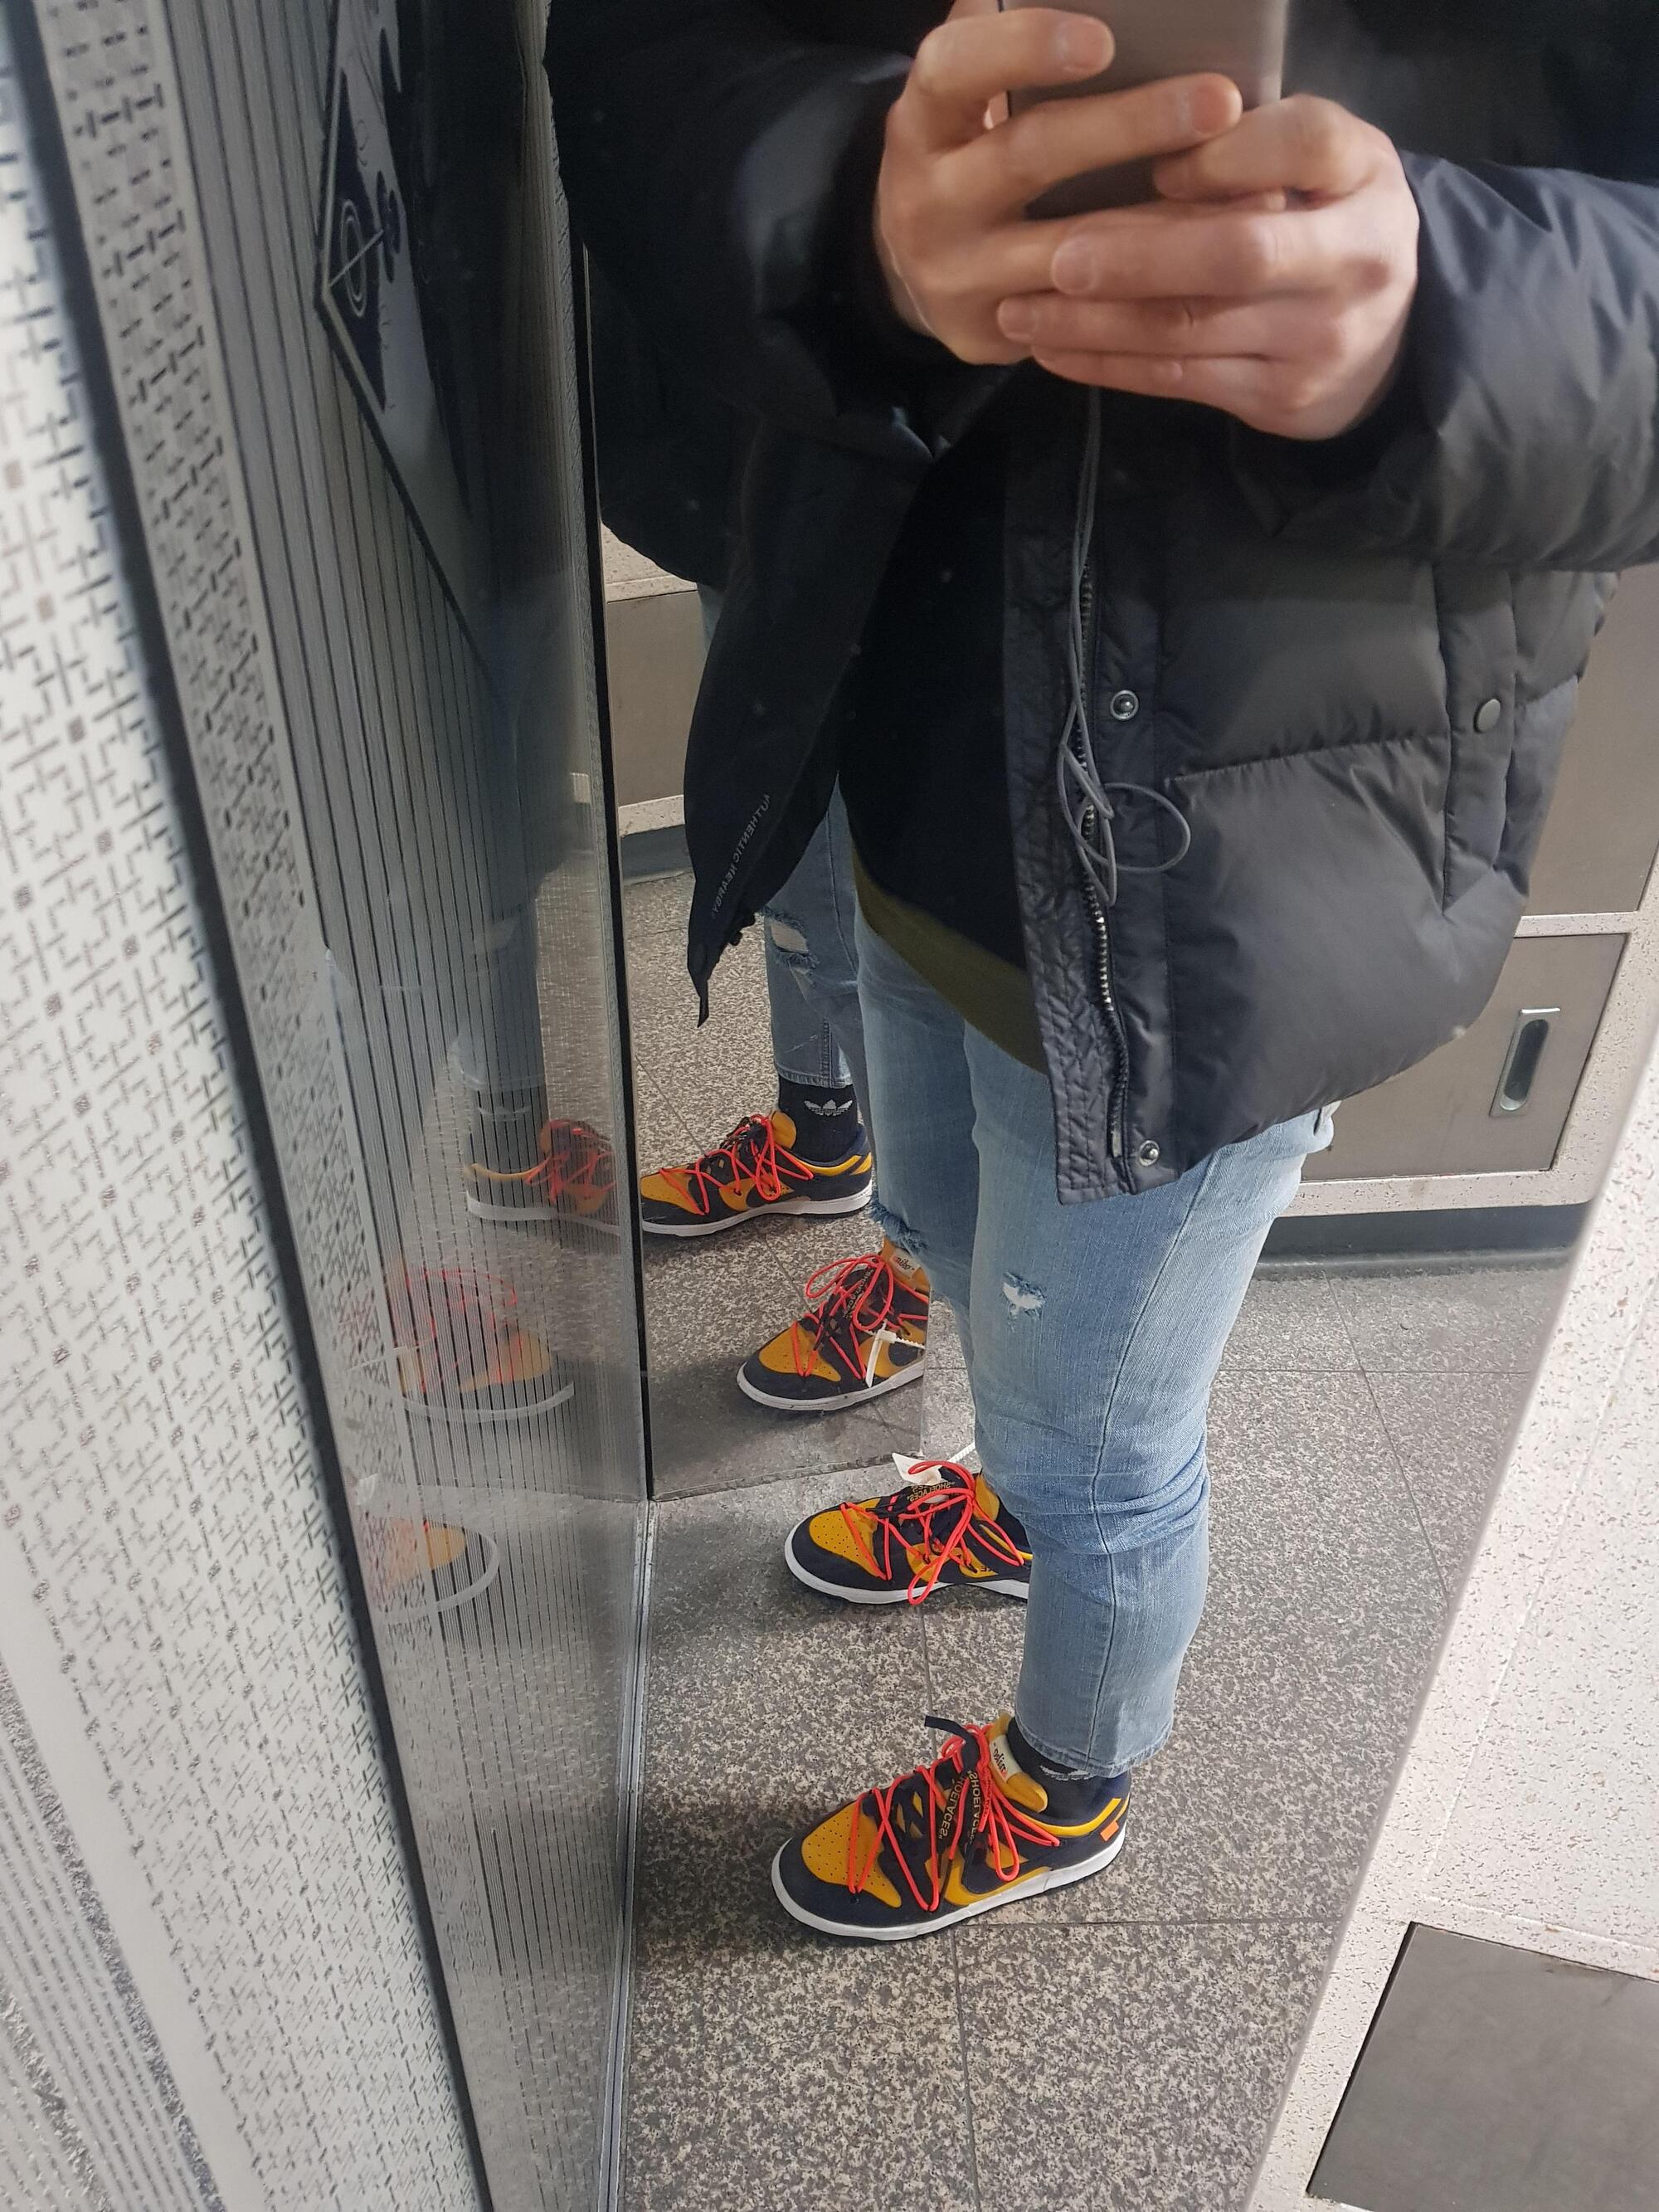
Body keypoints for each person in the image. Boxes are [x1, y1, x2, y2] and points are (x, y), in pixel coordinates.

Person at [551, 0, 1659, 1939]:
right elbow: (651, 44)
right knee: (941, 1225)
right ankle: (1004, 1498)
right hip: (904, 736)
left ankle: (1069, 1779)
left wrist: (1440, 320)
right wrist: (848, 212)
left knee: (1101, 1440)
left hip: (1233, 880)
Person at [589, 270, 932, 1411]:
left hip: (854, 478)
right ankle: (820, 1131)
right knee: (781, 863)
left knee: (854, 926)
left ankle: (920, 1269)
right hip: (740, 475)